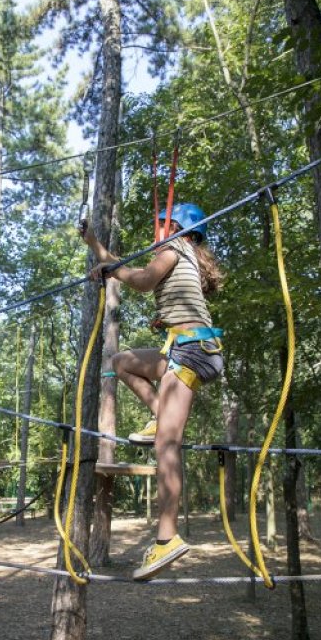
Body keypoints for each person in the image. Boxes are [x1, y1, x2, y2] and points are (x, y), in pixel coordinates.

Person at [81, 203, 223, 581]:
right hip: (185, 349)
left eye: (163, 223)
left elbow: (143, 280)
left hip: (191, 351)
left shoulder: (174, 248)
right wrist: (96, 246)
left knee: (167, 444)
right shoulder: (185, 252)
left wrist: (114, 272)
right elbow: (131, 268)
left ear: (176, 226)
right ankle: (160, 414)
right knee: (122, 362)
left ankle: (167, 538)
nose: (157, 229)